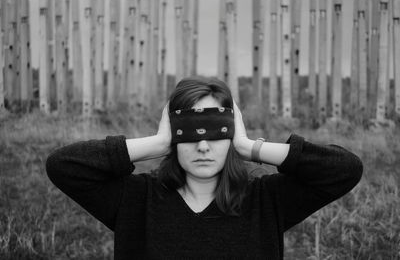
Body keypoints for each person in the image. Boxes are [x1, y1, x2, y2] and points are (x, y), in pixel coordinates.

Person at [46, 76, 363, 259]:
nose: (202, 145)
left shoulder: (265, 200)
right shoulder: (135, 200)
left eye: (216, 131)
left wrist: (248, 146)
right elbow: (63, 165)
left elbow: (345, 169)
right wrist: (158, 142)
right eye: (187, 132)